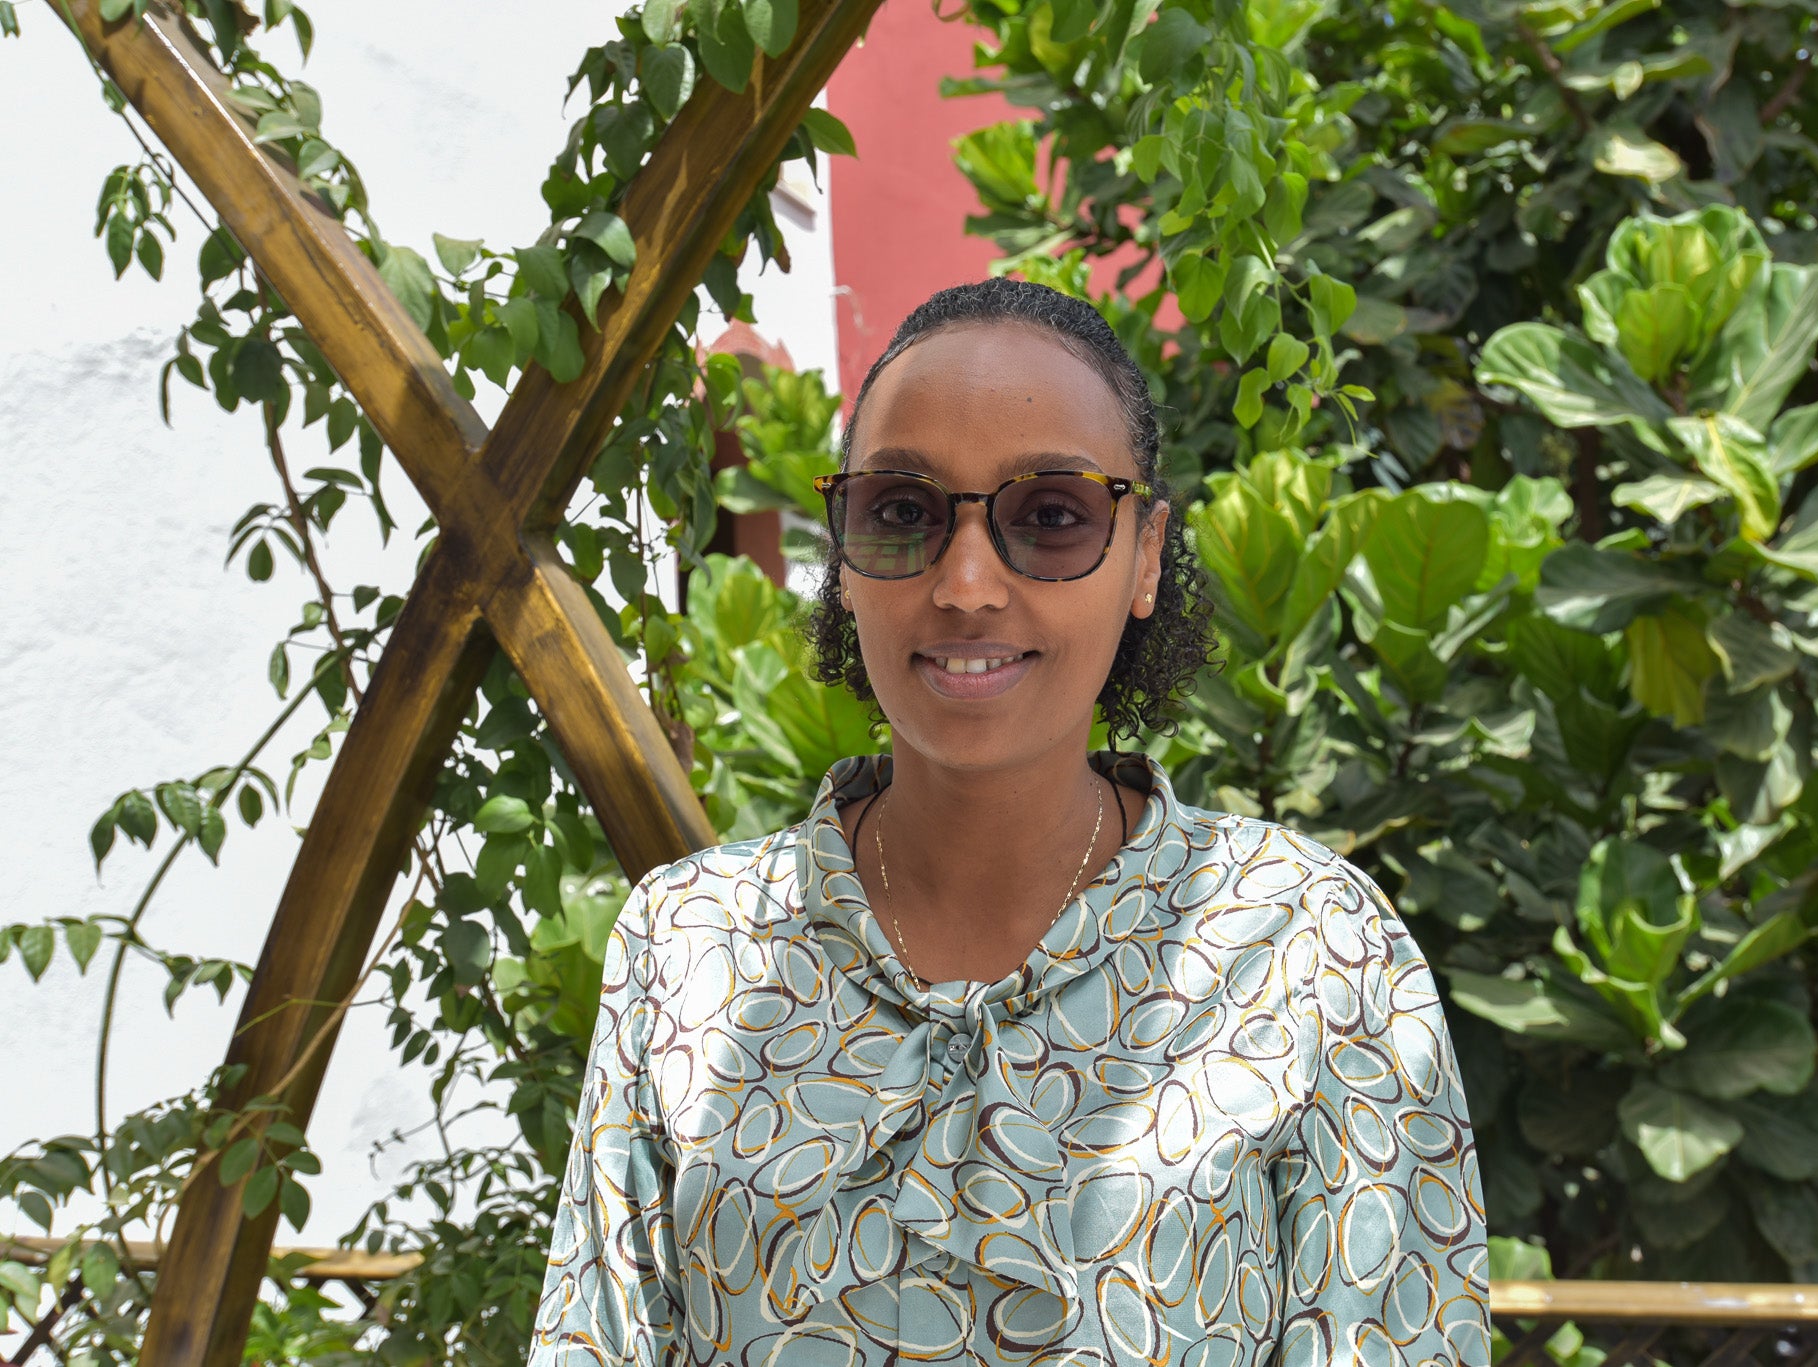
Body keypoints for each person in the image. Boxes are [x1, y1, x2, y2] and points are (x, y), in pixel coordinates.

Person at [526, 278, 1488, 1365]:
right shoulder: (689, 945)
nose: (967, 583)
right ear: (842, 557)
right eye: (902, 512)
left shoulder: (1306, 948)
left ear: (1145, 557)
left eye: (1051, 516)